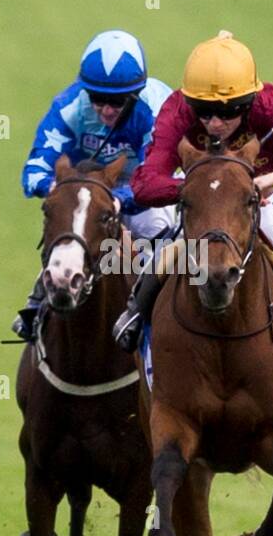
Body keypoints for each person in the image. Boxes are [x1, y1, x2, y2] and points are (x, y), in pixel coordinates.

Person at [113, 30, 273, 351]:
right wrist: (205, 189)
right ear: (190, 102)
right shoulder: (178, 113)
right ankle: (137, 310)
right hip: (204, 197)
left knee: (270, 226)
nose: (214, 122)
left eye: (228, 111)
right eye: (205, 110)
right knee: (175, 242)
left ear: (249, 101)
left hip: (264, 191)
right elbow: (145, 184)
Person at [12, 29, 174, 341]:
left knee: (155, 226)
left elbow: (153, 177)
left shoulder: (156, 109)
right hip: (87, 185)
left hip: (148, 186)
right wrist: (59, 192)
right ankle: (39, 300)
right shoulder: (69, 106)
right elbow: (33, 170)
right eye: (98, 100)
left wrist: (118, 201)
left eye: (117, 102)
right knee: (69, 223)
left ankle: (154, 313)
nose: (107, 110)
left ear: (136, 95)